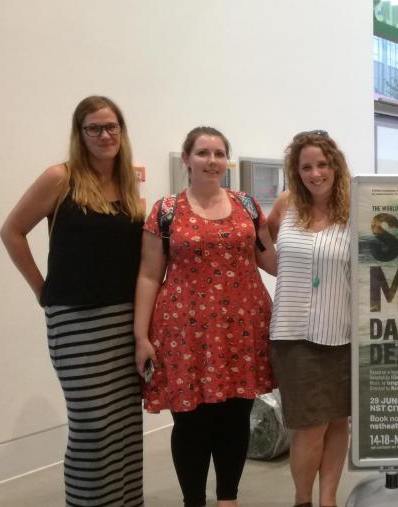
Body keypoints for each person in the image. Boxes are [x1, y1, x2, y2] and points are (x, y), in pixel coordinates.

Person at [0, 96, 146, 506]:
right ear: (79, 134)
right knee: (94, 426)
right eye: (94, 128)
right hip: (76, 320)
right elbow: (11, 231)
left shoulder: (127, 184)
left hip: (124, 319)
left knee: (124, 424)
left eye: (111, 127)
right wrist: (41, 289)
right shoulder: (60, 178)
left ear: (122, 132)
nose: (104, 135)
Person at [134, 126, 276, 507]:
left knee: (235, 416)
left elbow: (270, 260)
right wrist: (141, 337)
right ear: (187, 159)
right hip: (184, 333)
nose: (212, 161)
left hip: (243, 329)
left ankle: (227, 498)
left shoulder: (246, 205)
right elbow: (149, 275)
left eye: (218, 153)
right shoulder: (166, 211)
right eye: (202, 153)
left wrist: (323, 256)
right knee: (190, 421)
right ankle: (193, 500)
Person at [267, 130, 352, 507]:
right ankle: (303, 500)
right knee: (310, 426)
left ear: (335, 165)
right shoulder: (286, 206)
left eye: (322, 164)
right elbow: (268, 248)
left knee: (338, 422)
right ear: (295, 171)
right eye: (306, 166)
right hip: (295, 334)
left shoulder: (355, 210)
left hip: (344, 332)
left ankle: (328, 498)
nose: (315, 173)